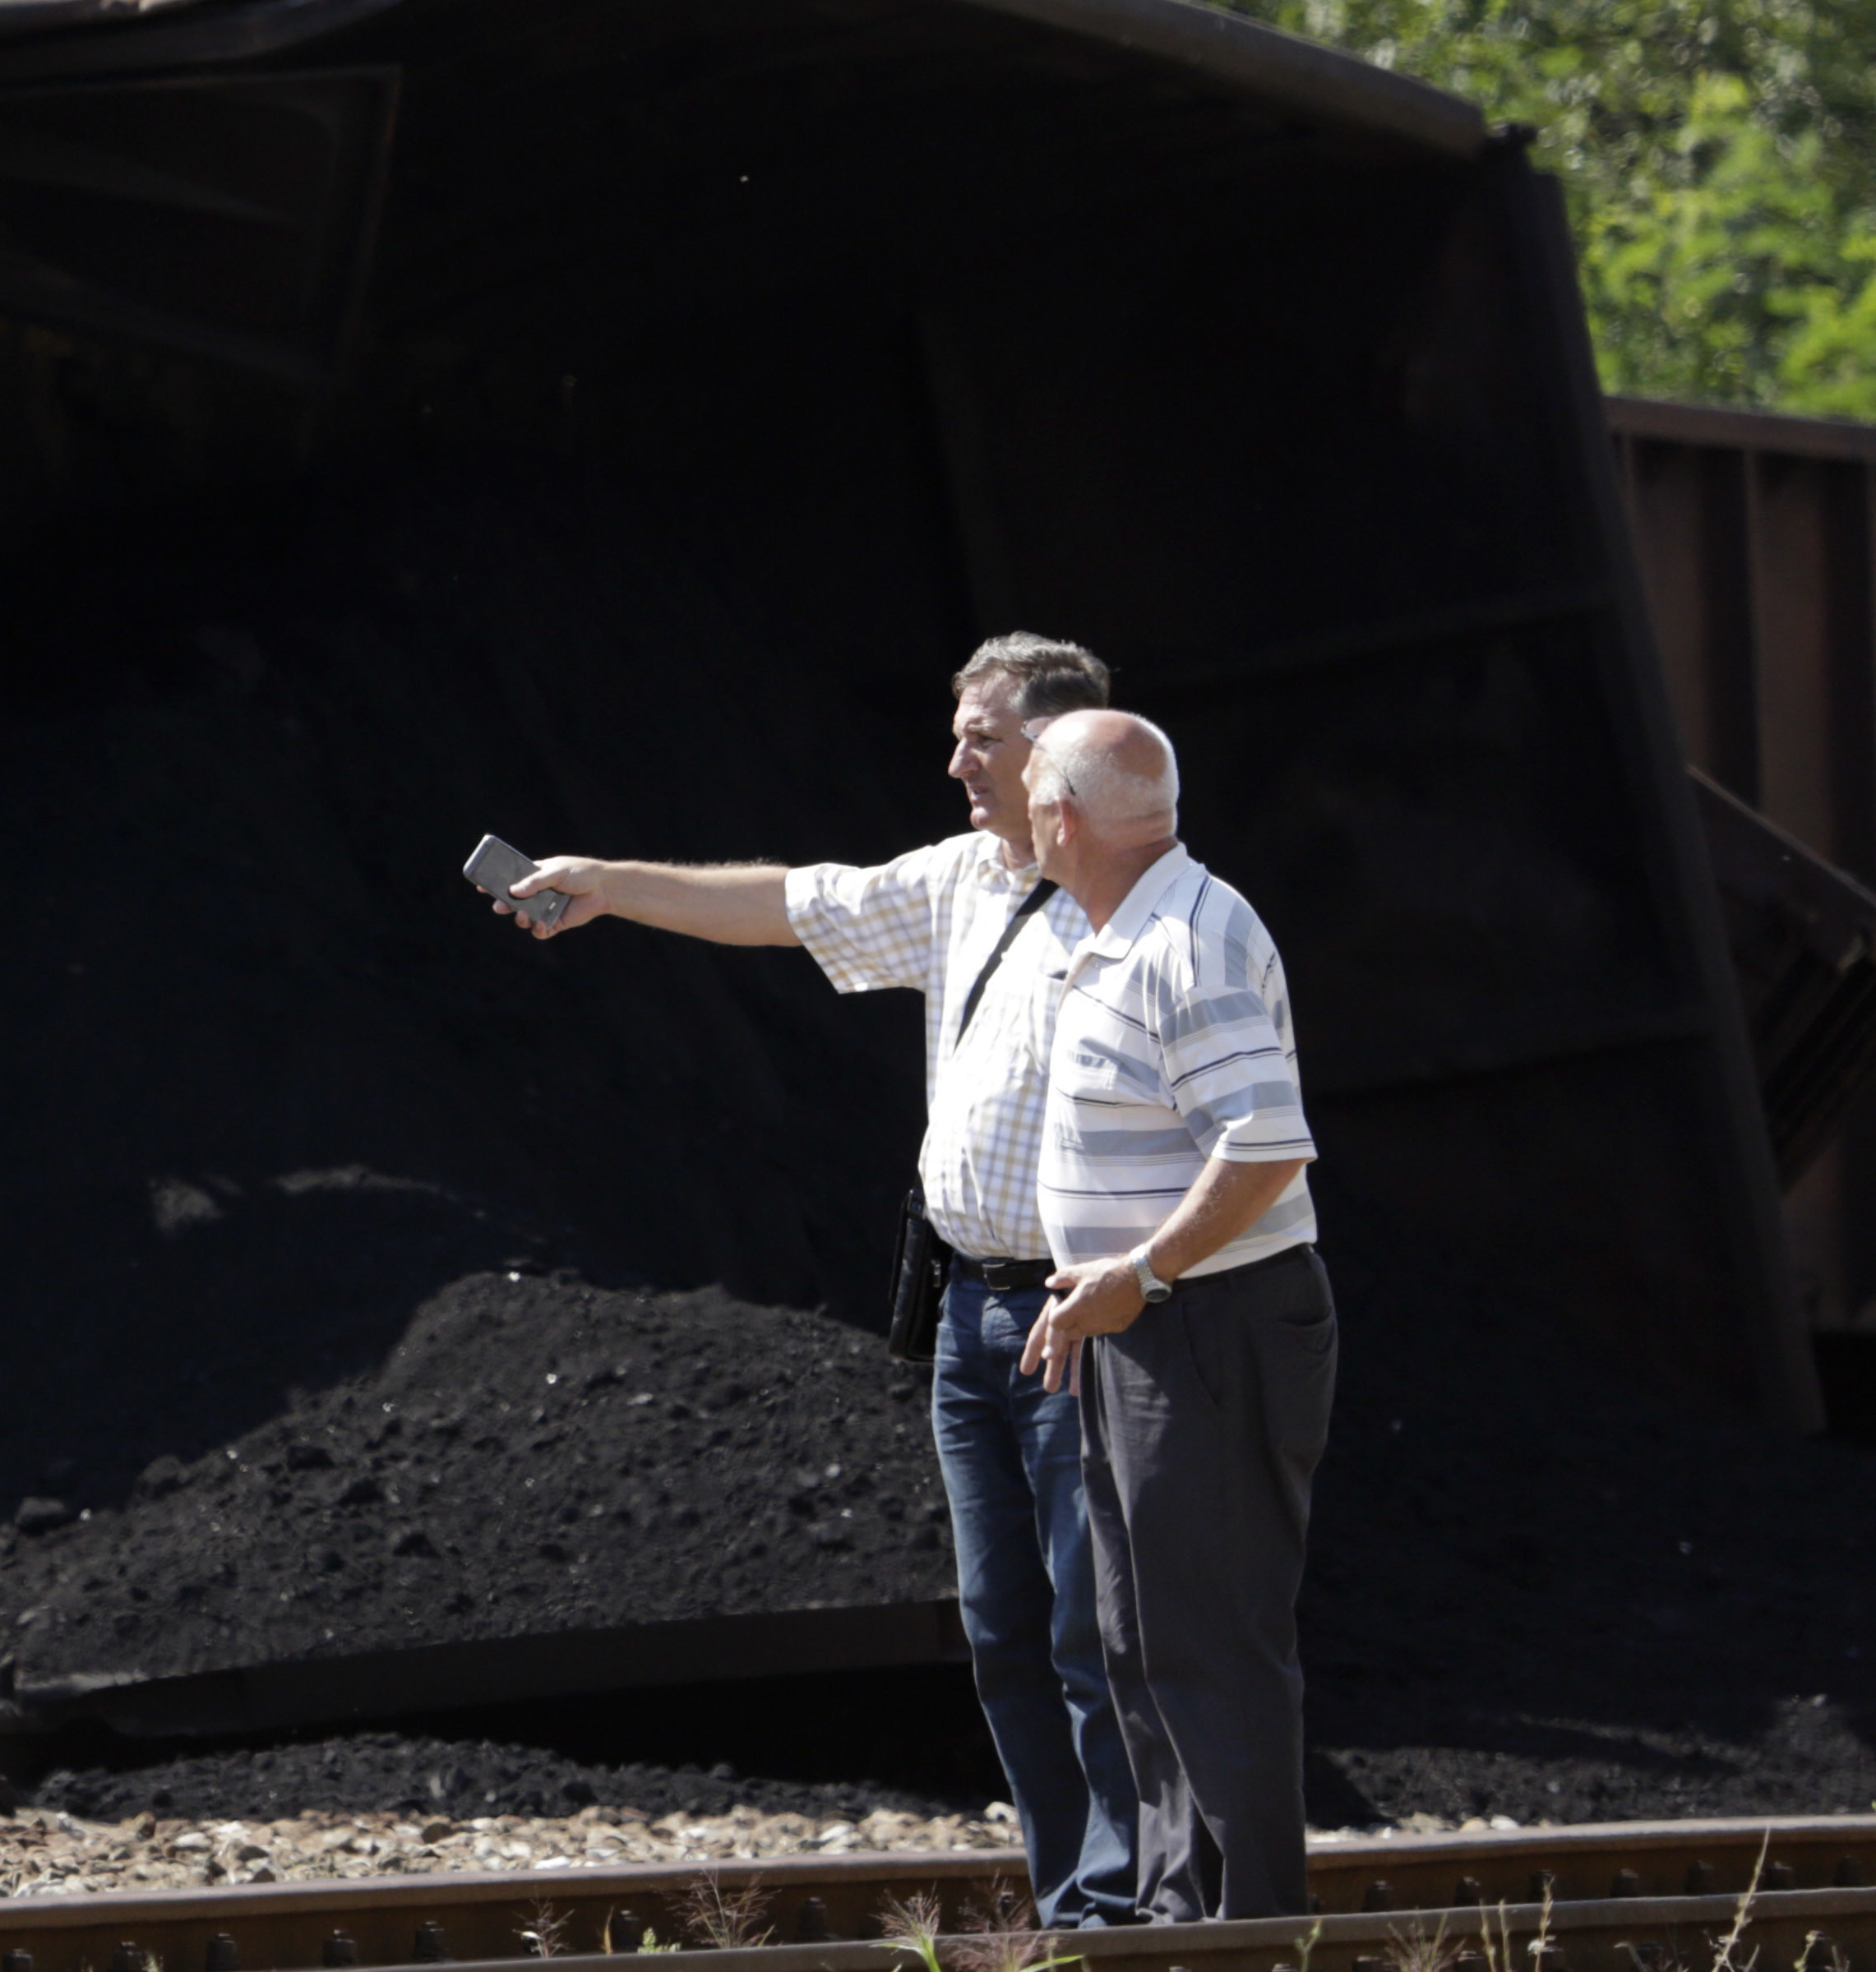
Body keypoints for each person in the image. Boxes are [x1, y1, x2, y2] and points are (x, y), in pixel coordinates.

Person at [487, 635, 1137, 1928]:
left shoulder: (1142, 904)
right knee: (1005, 1629)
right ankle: (1078, 1907)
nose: (954, 759)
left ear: (1057, 752)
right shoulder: (961, 879)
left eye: (981, 738)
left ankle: (1132, 1905)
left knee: (1093, 1635)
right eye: (956, 733)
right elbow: (788, 904)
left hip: (1086, 1317)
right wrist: (609, 886)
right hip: (970, 1320)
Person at [1013, 709, 1331, 1924]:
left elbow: (1265, 1145)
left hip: (1204, 1322)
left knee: (1207, 1642)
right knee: (1141, 1639)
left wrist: (1139, 1274)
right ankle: (1175, 1915)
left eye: (1035, 793)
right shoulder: (1119, 930)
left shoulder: (1182, 943)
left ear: (1067, 816)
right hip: (1148, 1325)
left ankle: (1247, 1932)